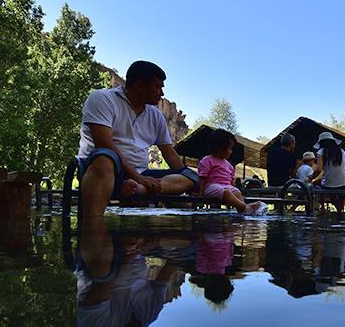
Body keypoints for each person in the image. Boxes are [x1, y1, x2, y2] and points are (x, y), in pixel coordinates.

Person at [77, 61, 199, 217]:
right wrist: (139, 178)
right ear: (140, 85)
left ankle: (137, 189)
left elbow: (169, 153)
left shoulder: (156, 116)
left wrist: (187, 177)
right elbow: (104, 144)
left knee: (191, 176)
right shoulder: (102, 99)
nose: (162, 93)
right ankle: (93, 223)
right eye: (157, 87)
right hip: (103, 171)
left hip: (141, 175)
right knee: (104, 158)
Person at [198, 128, 266, 214]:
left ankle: (242, 209)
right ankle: (245, 207)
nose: (231, 151)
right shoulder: (207, 160)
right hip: (211, 186)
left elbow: (231, 181)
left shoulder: (228, 165)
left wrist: (234, 188)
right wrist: (200, 194)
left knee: (236, 191)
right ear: (220, 149)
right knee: (226, 192)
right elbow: (202, 178)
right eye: (229, 148)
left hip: (225, 186)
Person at [311, 131, 345, 212]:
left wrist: (310, 178)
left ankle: (329, 207)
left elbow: (318, 170)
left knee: (319, 184)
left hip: (329, 185)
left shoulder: (321, 152)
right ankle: (340, 209)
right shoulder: (342, 151)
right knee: (338, 186)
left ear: (321, 143)